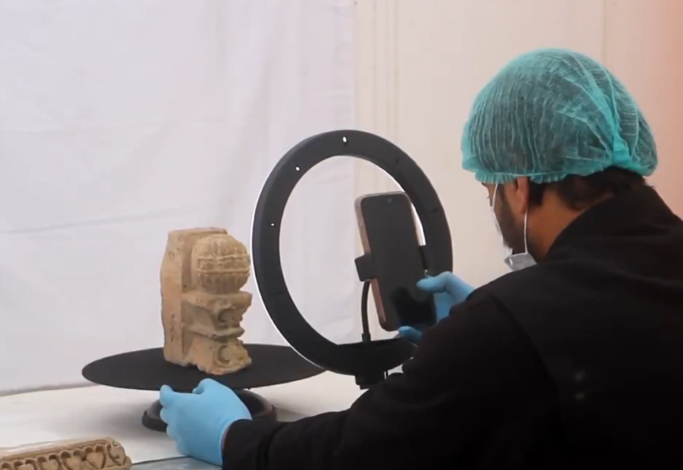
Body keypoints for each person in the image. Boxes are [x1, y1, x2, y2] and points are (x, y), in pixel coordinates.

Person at [158, 48, 683, 469]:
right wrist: (481, 327)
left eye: (490, 190)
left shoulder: (507, 328)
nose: (494, 204)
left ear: (520, 186)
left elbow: (361, 451)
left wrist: (233, 438)